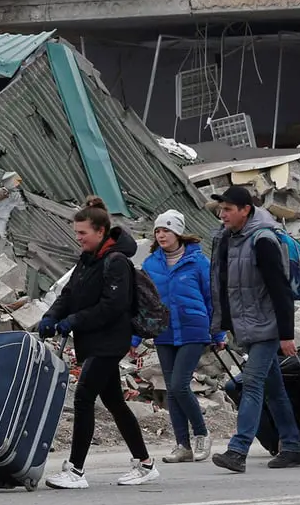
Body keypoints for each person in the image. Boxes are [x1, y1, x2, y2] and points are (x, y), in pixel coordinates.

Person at [38, 196, 159, 489]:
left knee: (83, 398)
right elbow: (68, 294)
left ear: (101, 231)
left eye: (83, 233)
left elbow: (112, 306)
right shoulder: (87, 260)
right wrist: (51, 317)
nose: (78, 238)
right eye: (77, 232)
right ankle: (145, 464)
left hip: (110, 341)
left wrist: (74, 321)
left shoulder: (116, 262)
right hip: (92, 341)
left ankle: (76, 470)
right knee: (114, 401)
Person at [208, 186, 300, 472]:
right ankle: (292, 445)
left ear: (245, 210)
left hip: (267, 326)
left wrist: (287, 334)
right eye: (221, 209)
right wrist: (222, 326)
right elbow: (223, 286)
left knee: (251, 383)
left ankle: (238, 450)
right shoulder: (228, 239)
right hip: (246, 326)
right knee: (274, 390)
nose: (222, 215)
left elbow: (280, 290)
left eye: (227, 209)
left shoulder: (262, 240)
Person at [138, 210, 223, 463]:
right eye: (158, 230)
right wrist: (135, 338)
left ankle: (201, 434)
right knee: (171, 390)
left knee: (179, 384)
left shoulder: (198, 261)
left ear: (178, 233)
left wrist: (217, 332)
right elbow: (144, 303)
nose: (161, 234)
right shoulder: (151, 264)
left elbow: (212, 299)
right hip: (164, 331)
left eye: (166, 230)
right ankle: (182, 445)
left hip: (193, 329)